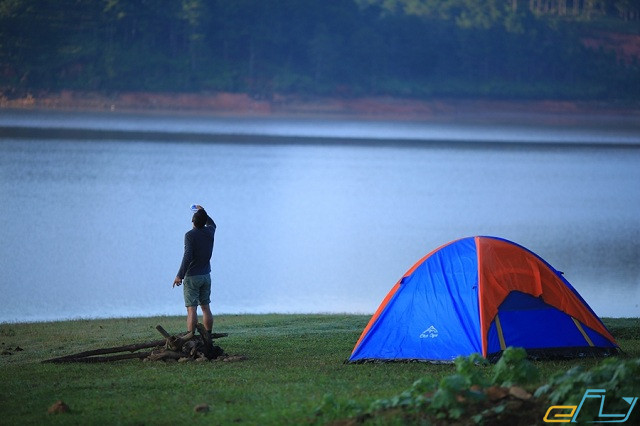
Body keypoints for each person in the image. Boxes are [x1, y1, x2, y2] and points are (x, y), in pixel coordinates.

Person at [173, 205, 216, 336]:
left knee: (191, 310)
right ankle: (208, 336)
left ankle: (190, 337)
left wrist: (179, 275)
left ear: (193, 222)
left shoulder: (189, 235)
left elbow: (187, 257)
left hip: (192, 277)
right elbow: (212, 223)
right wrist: (203, 212)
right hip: (205, 276)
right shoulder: (210, 232)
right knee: (205, 307)